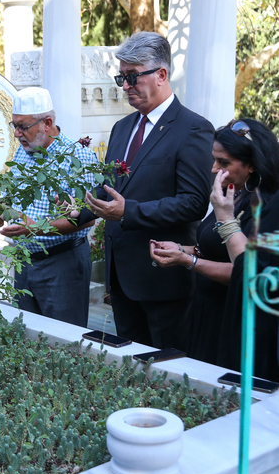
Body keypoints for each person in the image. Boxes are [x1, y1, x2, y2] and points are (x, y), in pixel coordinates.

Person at [76, 32, 214, 350]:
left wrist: (130, 212)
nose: (125, 86)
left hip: (164, 280)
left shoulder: (193, 129)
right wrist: (79, 211)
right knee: (131, 373)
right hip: (121, 279)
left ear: (162, 75)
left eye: (132, 77)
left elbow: (194, 203)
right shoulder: (122, 128)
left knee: (171, 377)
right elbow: (112, 187)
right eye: (121, 77)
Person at [150, 119, 279, 367]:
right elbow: (217, 247)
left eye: (224, 162)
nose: (213, 169)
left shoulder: (265, 205)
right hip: (205, 306)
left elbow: (244, 268)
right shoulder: (236, 192)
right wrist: (182, 249)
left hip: (230, 312)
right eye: (214, 159)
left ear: (251, 164)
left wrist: (189, 261)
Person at [0, 87, 97, 327]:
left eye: (23, 127)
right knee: (28, 340)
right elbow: (9, 200)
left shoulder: (78, 157)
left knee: (63, 345)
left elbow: (87, 219)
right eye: (15, 126)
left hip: (62, 263)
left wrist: (34, 229)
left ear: (47, 123)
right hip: (25, 263)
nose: (17, 134)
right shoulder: (23, 153)